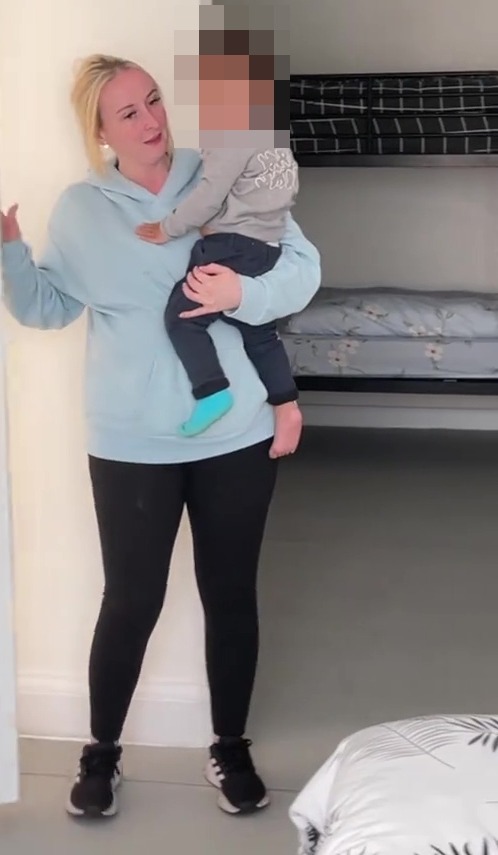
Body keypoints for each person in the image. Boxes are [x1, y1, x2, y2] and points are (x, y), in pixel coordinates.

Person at [0, 53, 320, 820]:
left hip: (234, 434)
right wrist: (8, 251)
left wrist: (246, 291)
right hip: (132, 443)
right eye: (129, 114)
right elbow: (47, 309)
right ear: (101, 131)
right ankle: (101, 751)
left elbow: (301, 267)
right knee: (131, 599)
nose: (152, 122)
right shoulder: (80, 209)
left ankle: (229, 743)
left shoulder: (227, 170)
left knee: (230, 594)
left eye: (153, 102)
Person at [136, 143, 302, 457]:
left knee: (182, 318)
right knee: (260, 332)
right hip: (267, 246)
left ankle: (212, 391)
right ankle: (285, 402)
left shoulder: (232, 136)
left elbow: (208, 197)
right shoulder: (275, 140)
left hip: (229, 245)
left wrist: (167, 228)